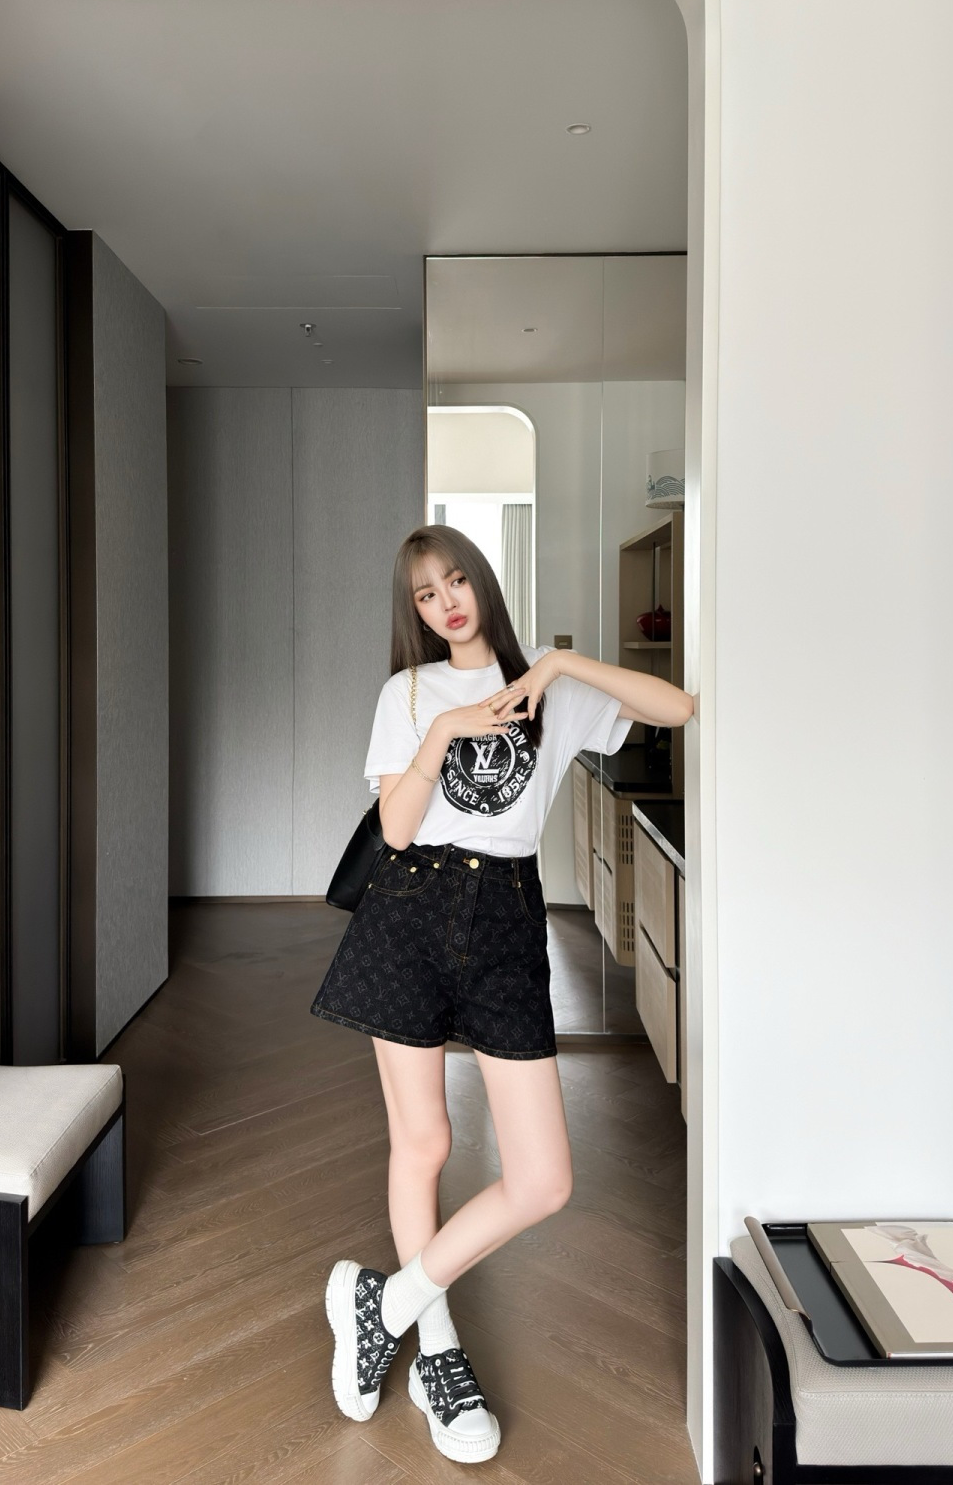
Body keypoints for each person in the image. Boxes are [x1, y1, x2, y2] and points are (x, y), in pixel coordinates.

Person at [310, 523, 694, 1464]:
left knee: (544, 1178)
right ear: (415, 612)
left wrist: (559, 664)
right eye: (425, 594)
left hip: (508, 924)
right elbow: (397, 829)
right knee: (424, 1142)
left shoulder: (548, 690)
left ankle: (385, 1304)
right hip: (410, 911)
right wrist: (443, 735)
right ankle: (438, 1354)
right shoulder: (408, 694)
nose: (446, 603)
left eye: (455, 581)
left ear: (481, 581)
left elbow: (678, 707)